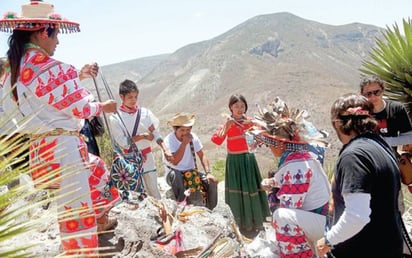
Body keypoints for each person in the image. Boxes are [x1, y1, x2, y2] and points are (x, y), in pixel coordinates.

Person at [0, 1, 121, 256]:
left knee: (93, 174)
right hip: (65, 151)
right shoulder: (54, 68)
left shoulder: (12, 70)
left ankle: (94, 227)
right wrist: (103, 107)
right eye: (55, 34)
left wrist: (78, 77)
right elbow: (80, 108)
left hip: (40, 152)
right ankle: (82, 252)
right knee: (76, 215)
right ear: (44, 32)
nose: (58, 42)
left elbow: (40, 96)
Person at [316, 93, 403, 257]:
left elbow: (357, 216)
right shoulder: (380, 145)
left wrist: (328, 240)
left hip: (363, 249)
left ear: (338, 124)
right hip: (388, 246)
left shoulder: (354, 156)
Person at [256, 97, 331, 257]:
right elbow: (287, 183)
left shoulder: (296, 165)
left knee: (282, 216)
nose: (269, 148)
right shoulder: (299, 160)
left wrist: (273, 194)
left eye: (271, 143)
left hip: (322, 224)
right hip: (316, 219)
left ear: (281, 144)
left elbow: (291, 206)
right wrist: (273, 183)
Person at [211, 94, 270, 236]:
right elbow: (216, 140)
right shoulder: (228, 123)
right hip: (234, 161)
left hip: (248, 160)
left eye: (242, 106)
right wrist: (226, 126)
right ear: (230, 107)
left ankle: (255, 221)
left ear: (246, 107)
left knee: (251, 189)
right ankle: (240, 222)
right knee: (237, 190)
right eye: (236, 106)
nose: (239, 109)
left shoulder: (250, 122)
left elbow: (264, 134)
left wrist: (259, 137)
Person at [109, 79, 171, 200]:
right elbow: (123, 142)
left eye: (135, 97)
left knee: (153, 189)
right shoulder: (116, 118)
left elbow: (156, 134)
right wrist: (142, 136)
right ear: (121, 96)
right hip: (129, 160)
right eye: (130, 97)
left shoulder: (145, 114)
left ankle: (161, 214)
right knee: (137, 193)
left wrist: (165, 150)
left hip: (148, 158)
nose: (133, 100)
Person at [164, 112, 218, 210]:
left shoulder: (193, 137)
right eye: (182, 130)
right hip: (174, 174)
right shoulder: (168, 140)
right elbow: (175, 161)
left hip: (191, 173)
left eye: (188, 130)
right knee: (177, 175)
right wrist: (184, 144)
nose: (185, 133)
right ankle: (181, 205)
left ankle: (210, 209)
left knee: (211, 182)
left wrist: (208, 172)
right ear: (175, 129)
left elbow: (202, 155)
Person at [360, 75, 412, 148]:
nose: (373, 96)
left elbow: (409, 137)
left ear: (383, 90)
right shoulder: (358, 112)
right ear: (362, 95)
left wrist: (384, 141)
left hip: (388, 156)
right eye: (368, 94)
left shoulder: (396, 108)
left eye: (376, 92)